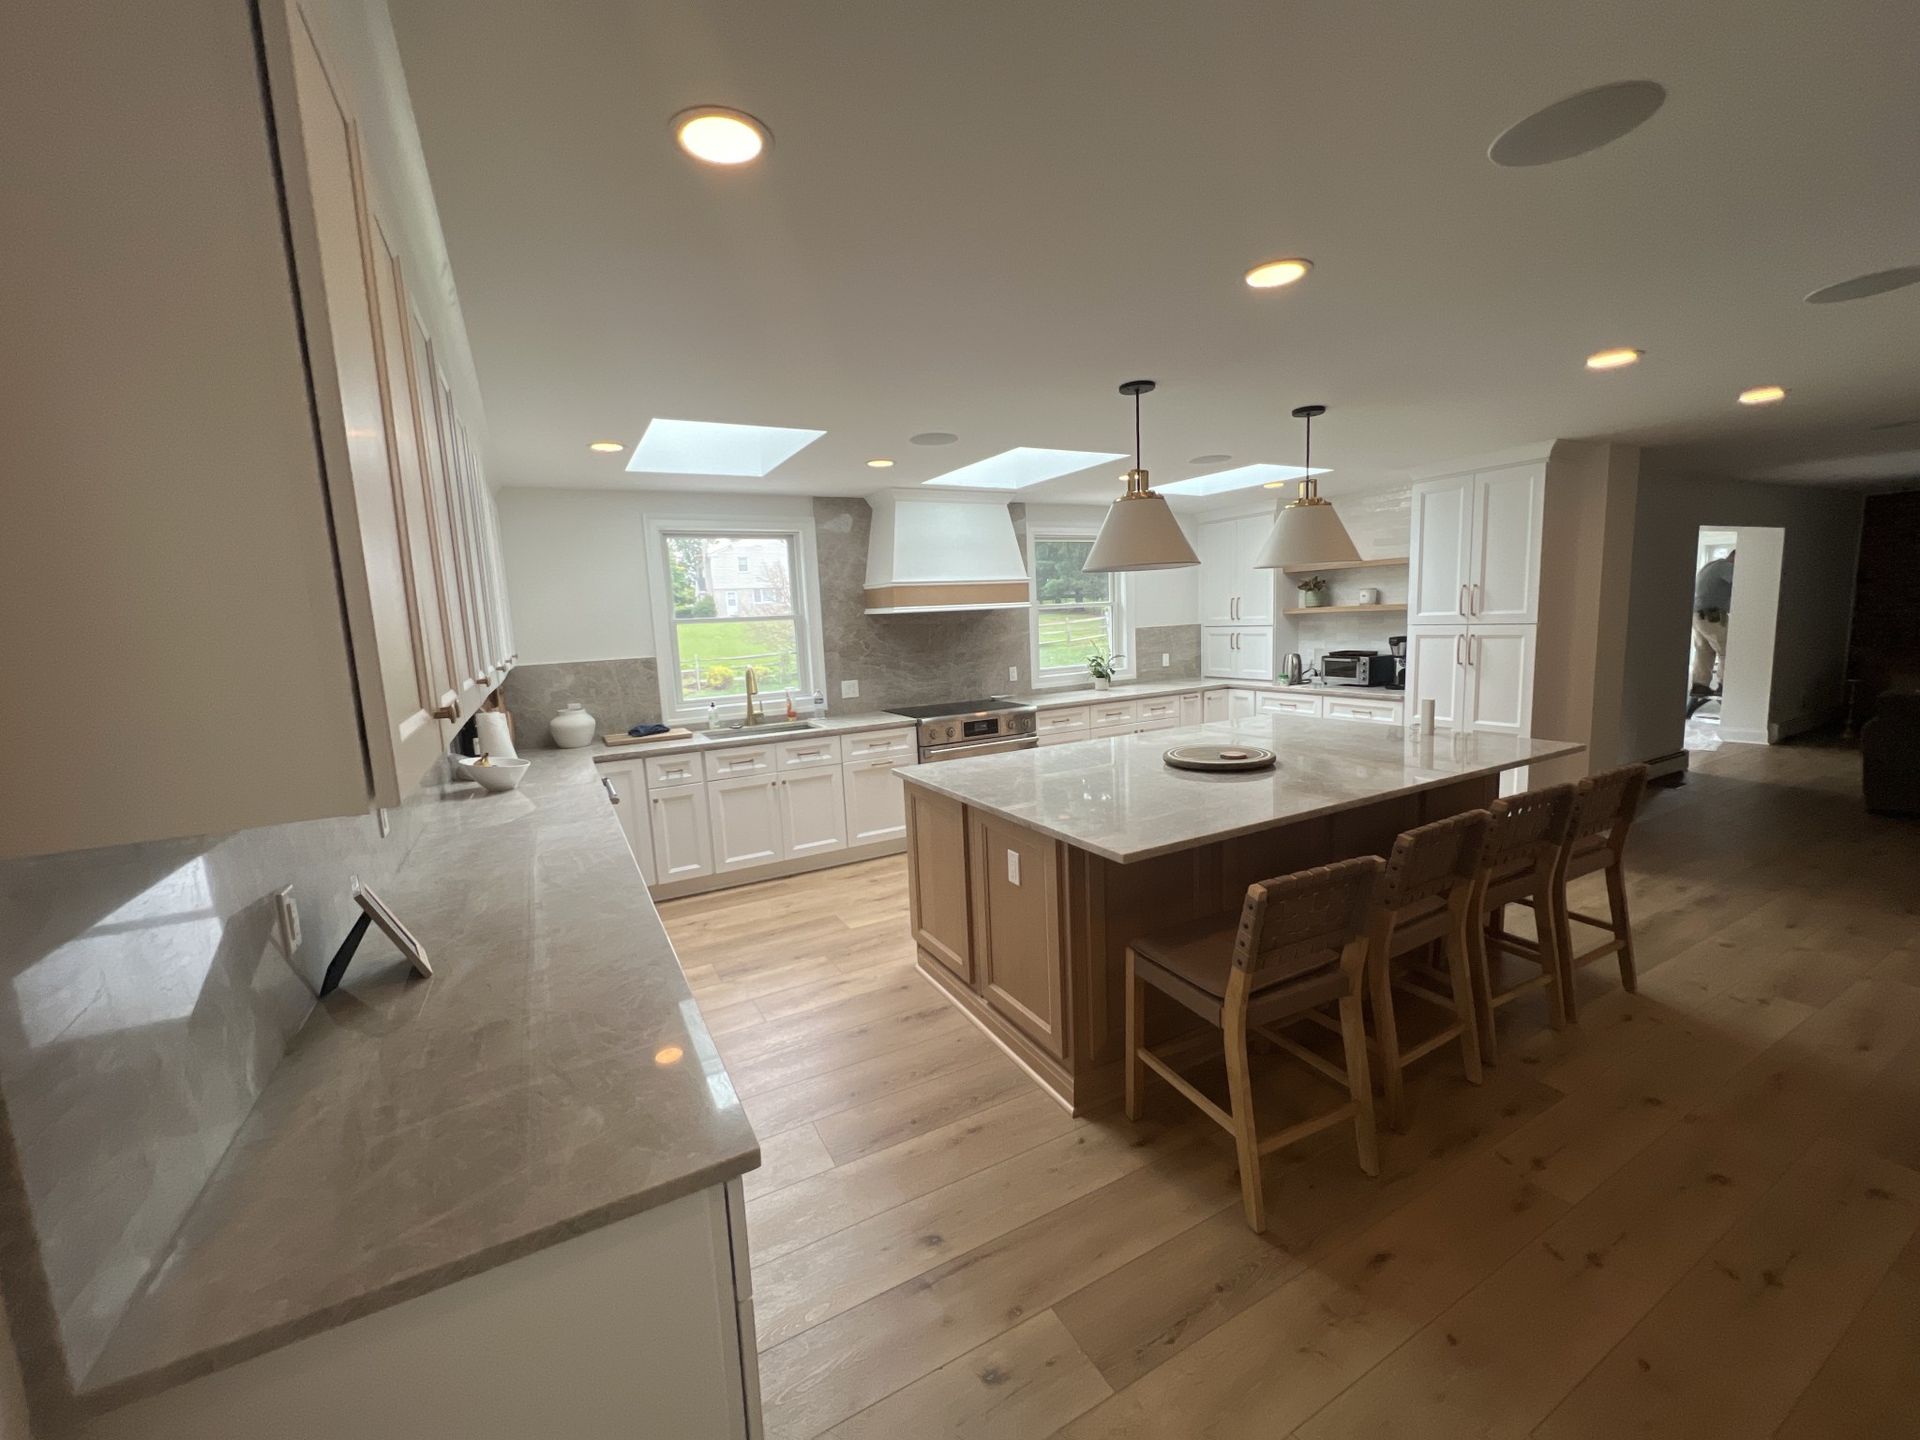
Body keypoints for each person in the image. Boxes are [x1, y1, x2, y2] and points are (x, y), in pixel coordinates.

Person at [1689, 549, 1734, 714]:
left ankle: (1700, 686)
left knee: (1704, 651)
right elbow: (1742, 585)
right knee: (1728, 650)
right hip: (1712, 615)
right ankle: (1724, 687)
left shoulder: (1710, 566)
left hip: (1697, 615)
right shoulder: (1727, 567)